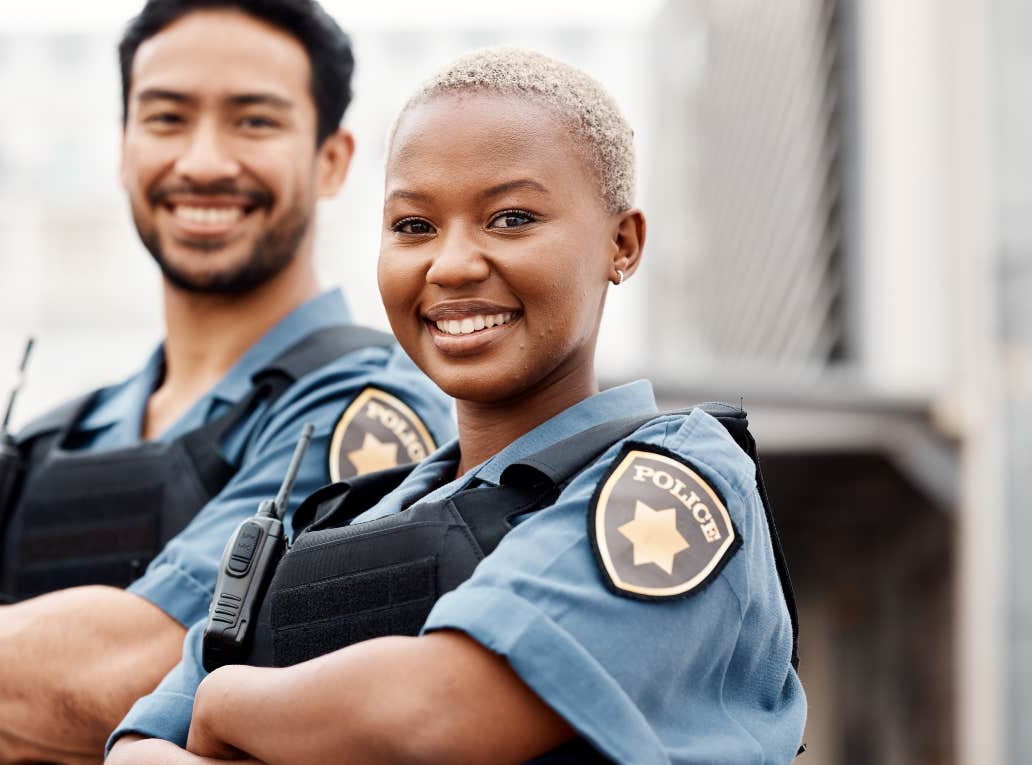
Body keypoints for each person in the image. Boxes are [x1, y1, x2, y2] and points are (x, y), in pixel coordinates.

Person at [106, 48, 807, 765]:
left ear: (621, 244)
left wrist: (227, 704)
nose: (452, 264)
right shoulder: (331, 520)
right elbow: (135, 745)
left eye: (510, 217)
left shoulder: (673, 480)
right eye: (414, 226)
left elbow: (437, 713)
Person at [0, 2, 455, 763]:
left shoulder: (370, 414)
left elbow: (134, 674)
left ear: (332, 159)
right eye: (165, 118)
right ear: (123, 149)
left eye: (254, 121)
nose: (204, 161)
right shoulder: (36, 445)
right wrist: (77, 718)